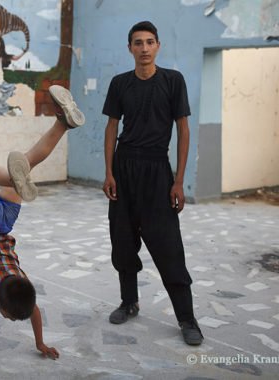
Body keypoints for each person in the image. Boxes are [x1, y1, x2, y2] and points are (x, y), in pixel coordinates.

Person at [0, 85, 85, 373]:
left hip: (6, 223)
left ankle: (62, 124)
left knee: (30, 161)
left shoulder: (22, 281)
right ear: (1, 306)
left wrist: (41, 342)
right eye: (12, 317)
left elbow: (34, 311)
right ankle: (11, 178)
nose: (13, 319)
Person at [101, 21, 204, 346]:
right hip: (125, 167)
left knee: (168, 246)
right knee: (122, 240)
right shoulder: (120, 84)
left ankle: (187, 319)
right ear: (129, 48)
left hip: (158, 170)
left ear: (158, 46)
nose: (144, 48)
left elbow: (183, 130)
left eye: (149, 42)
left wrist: (178, 181)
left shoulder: (173, 81)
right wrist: (109, 172)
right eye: (137, 43)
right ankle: (128, 302)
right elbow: (111, 128)